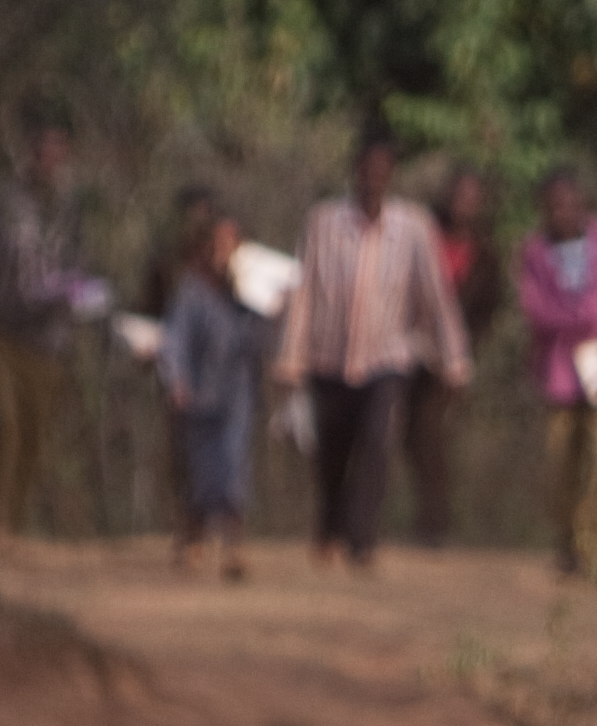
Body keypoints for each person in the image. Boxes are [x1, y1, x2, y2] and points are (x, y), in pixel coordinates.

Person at [275, 135, 468, 570]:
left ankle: (362, 540)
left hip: (387, 358)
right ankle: (329, 528)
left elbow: (435, 296)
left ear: (391, 176)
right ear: (355, 172)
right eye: (366, 170)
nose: (373, 180)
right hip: (329, 357)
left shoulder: (413, 227)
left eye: (382, 171)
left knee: (378, 442)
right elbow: (302, 291)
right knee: (332, 453)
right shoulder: (323, 222)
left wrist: (454, 358)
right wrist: (290, 354)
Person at [0, 114, 92, 553]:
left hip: (49, 338)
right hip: (3, 329)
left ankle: (11, 529)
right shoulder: (5, 201)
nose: (51, 156)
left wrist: (79, 297)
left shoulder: (71, 205)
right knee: (4, 423)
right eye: (44, 147)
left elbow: (77, 268)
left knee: (35, 433)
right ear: (31, 151)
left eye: (60, 147)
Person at [514, 167, 597, 577]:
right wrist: (588, 317)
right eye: (553, 205)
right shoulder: (534, 253)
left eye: (569, 203)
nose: (562, 212)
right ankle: (569, 542)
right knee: (560, 463)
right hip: (558, 371)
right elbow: (536, 310)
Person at [159, 202, 270, 579]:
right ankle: (194, 541)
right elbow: (175, 339)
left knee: (233, 467)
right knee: (199, 472)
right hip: (197, 395)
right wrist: (177, 381)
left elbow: (262, 341)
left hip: (236, 393)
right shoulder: (192, 289)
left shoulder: (249, 294)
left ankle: (234, 549)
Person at [406, 161, 499, 548]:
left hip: (454, 357)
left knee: (433, 435)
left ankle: (436, 522)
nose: (464, 203)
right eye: (459, 194)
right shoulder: (426, 236)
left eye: (472, 197)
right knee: (408, 435)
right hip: (411, 346)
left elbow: (490, 306)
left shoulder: (486, 251)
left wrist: (463, 350)